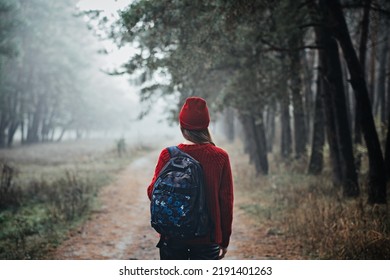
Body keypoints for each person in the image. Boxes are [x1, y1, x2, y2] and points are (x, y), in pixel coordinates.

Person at [147, 96, 234, 260]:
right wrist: (224, 240)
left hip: (172, 238)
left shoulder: (168, 155)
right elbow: (226, 203)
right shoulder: (220, 157)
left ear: (182, 126)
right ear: (206, 126)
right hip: (207, 240)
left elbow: (152, 192)